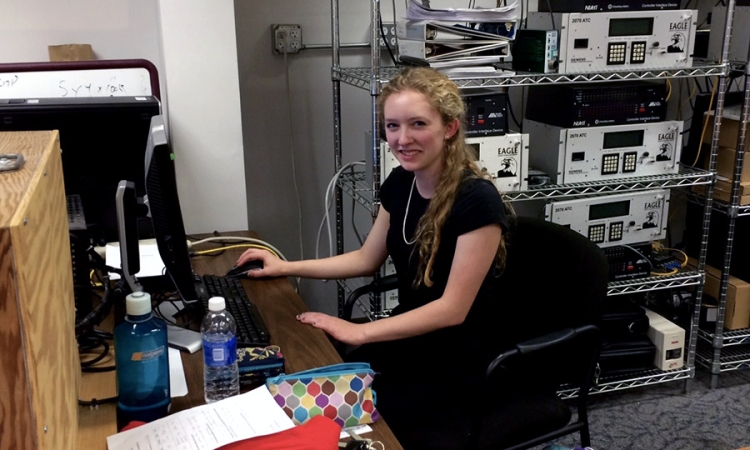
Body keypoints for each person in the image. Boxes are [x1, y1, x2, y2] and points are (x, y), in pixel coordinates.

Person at [236, 67, 510, 445]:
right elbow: (366, 259)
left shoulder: (477, 200)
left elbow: (453, 309)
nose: (403, 139)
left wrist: (361, 330)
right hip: (410, 341)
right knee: (306, 397)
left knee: (349, 426)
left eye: (417, 124)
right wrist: (284, 265)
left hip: (458, 360)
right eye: (393, 126)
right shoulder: (401, 183)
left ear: (449, 128)